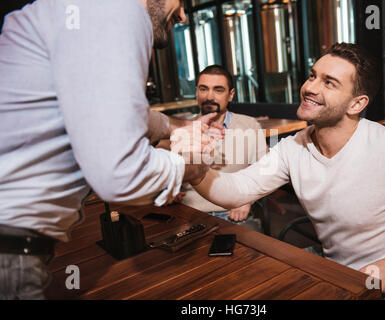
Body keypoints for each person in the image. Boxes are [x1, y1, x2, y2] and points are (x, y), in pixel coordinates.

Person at [179, 43, 385, 298]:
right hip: (337, 278)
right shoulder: (293, 147)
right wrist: (196, 171)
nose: (310, 87)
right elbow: (239, 190)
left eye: (329, 82)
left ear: (356, 104)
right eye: (312, 76)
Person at [0, 0, 220, 299]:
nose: (182, 14)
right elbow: (119, 172)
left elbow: (105, 107)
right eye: (182, 1)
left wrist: (179, 127)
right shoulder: (116, 9)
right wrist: (189, 169)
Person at [178, 65, 267, 230]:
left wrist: (247, 200)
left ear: (230, 94)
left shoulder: (249, 125)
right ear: (196, 92)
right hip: (190, 214)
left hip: (234, 213)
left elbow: (264, 172)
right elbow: (170, 173)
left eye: (218, 90)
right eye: (204, 89)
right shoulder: (182, 128)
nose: (209, 96)